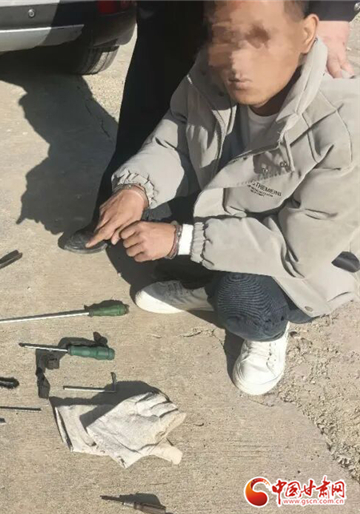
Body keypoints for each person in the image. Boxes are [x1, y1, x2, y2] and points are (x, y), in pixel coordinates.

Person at [88, 0, 359, 395]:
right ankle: (206, 287)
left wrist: (181, 240)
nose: (237, 61)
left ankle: (267, 330)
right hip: (231, 214)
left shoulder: (345, 127)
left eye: (261, 37)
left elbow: (295, 251)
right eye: (224, 35)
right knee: (143, 215)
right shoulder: (208, 71)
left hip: (305, 267)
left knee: (240, 290)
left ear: (305, 34)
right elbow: (178, 136)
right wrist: (137, 188)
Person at [60, 0, 358, 253]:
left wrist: (335, 9)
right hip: (175, 13)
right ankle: (117, 215)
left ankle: (217, 251)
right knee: (164, 114)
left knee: (267, 138)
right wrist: (135, 188)